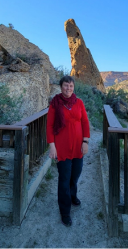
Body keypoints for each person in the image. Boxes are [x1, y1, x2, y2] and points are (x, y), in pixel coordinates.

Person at [47, 75, 90, 227]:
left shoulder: (79, 103)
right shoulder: (55, 104)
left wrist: (85, 141)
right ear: (61, 86)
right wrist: (52, 145)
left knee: (75, 175)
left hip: (78, 147)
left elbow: (84, 121)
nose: (69, 88)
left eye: (71, 86)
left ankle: (73, 195)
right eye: (66, 85)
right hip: (62, 148)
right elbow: (50, 126)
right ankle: (65, 212)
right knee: (64, 179)